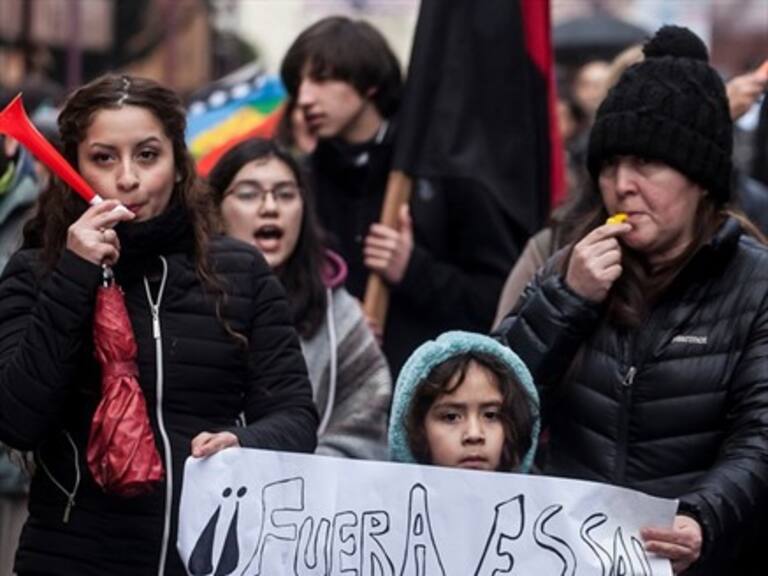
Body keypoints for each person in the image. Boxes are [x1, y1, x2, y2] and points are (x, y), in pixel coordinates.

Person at [0, 74, 318, 576]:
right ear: (71, 167)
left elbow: (295, 417)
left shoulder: (242, 271)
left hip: (205, 557)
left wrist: (246, 444)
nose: (128, 178)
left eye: (148, 155)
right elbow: (17, 420)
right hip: (70, 560)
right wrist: (73, 277)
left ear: (177, 165)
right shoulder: (37, 273)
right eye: (103, 158)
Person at [496, 26, 768, 575]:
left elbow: (760, 436)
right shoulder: (569, 263)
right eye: (609, 166)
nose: (622, 185)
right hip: (567, 555)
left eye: (646, 165)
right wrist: (565, 301)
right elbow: (498, 400)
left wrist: (701, 518)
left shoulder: (755, 283)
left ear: (700, 180)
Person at [280, 16, 523, 375]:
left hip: (432, 394)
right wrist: (334, 323)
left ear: (370, 84)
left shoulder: (443, 175)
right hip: (336, 394)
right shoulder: (302, 183)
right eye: (297, 83)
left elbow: (501, 301)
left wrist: (413, 270)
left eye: (321, 79)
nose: (304, 99)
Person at [208, 137, 391, 460]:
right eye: (249, 194)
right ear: (216, 211)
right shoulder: (184, 299)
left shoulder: (342, 316)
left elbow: (368, 423)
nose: (270, 207)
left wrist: (300, 474)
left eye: (285, 194)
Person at [388, 331, 539, 473]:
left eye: (491, 415)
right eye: (451, 417)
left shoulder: (548, 500)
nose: (474, 434)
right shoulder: (379, 499)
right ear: (417, 426)